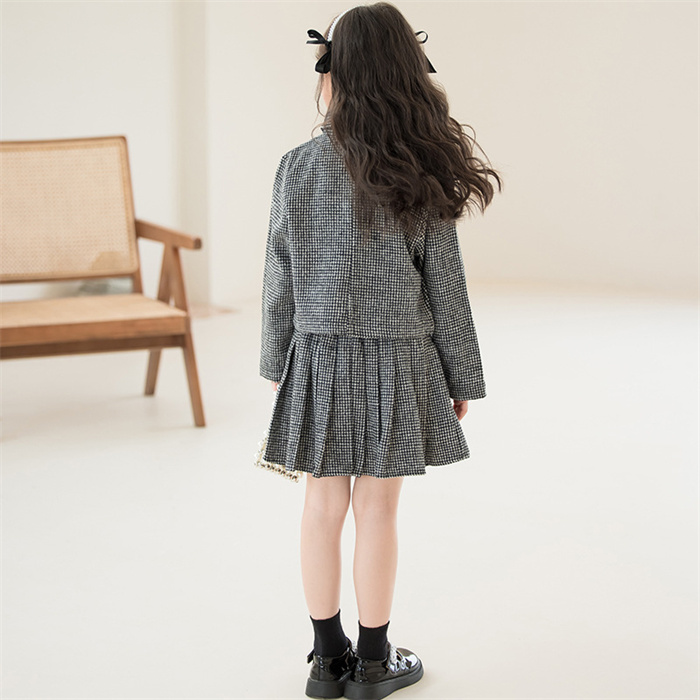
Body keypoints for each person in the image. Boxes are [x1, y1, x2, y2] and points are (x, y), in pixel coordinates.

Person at [258, 3, 502, 698]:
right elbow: (445, 284)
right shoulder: (416, 168)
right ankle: (373, 662)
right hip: (399, 359)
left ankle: (324, 659)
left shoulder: (296, 167)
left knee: (320, 508)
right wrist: (459, 376)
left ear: (334, 73)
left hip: (319, 357)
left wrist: (278, 363)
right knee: (378, 513)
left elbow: (279, 272)